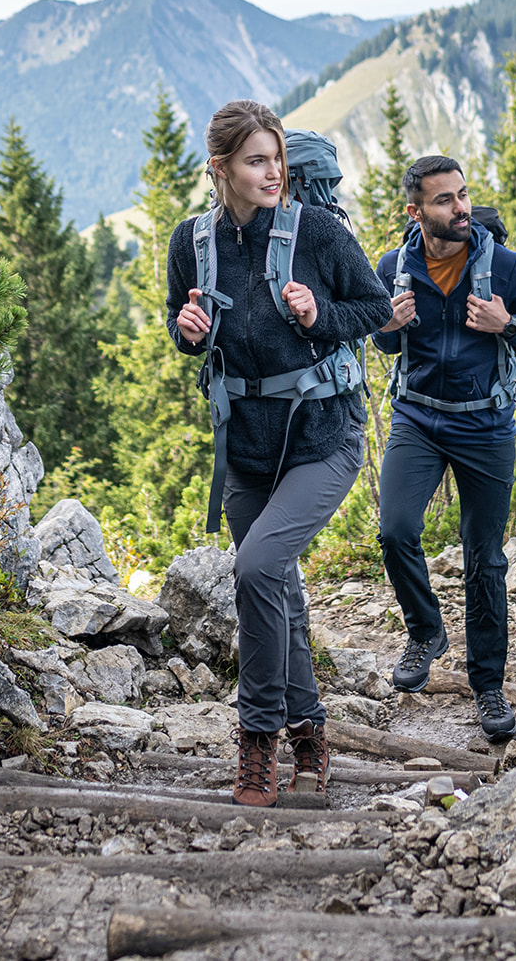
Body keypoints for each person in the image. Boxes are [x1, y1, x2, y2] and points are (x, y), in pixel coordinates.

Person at [168, 101, 393, 804]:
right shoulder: (192, 241)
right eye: (256, 160)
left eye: (277, 158)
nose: (273, 172)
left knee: (259, 565)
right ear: (221, 169)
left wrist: (319, 315)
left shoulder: (318, 232)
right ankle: (312, 744)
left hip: (324, 436)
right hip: (246, 447)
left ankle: (257, 741)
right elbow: (183, 324)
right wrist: (187, 327)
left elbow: (378, 309)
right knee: (279, 592)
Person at [372, 154, 516, 742]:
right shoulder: (393, 267)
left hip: (485, 425)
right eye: (444, 200)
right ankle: (426, 631)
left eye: (463, 196)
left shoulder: (505, 267)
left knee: (486, 560)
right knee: (395, 530)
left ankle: (489, 687)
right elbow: (382, 342)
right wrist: (388, 325)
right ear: (416, 211)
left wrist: (507, 324)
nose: (460, 209)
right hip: (418, 417)